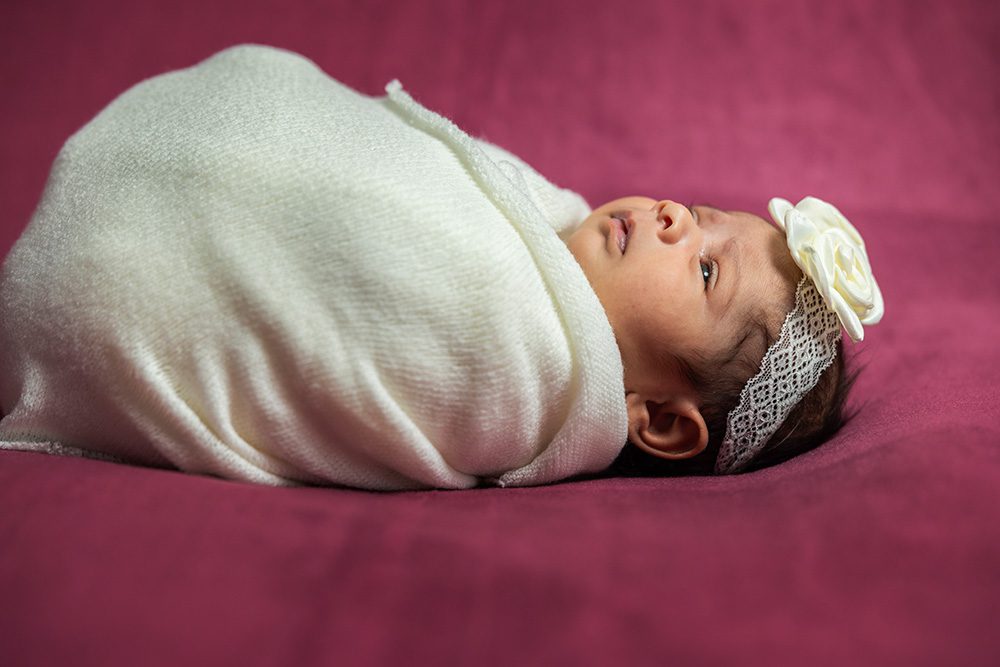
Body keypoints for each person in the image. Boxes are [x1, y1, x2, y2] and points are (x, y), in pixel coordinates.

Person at [0, 45, 882, 489]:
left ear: (660, 421)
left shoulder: (517, 360)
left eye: (703, 273)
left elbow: (381, 292)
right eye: (701, 217)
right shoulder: (545, 217)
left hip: (134, 271)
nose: (672, 218)